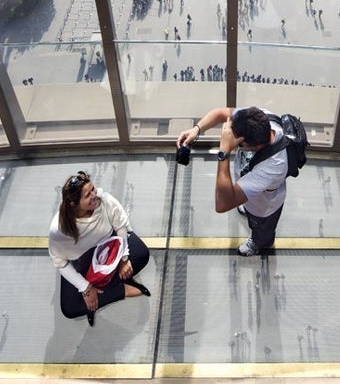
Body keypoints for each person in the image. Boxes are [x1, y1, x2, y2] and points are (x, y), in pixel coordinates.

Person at [176, 106, 288, 257]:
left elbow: (223, 204)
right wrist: (197, 129)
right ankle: (244, 203)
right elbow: (222, 113)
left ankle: (259, 243)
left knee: (261, 228)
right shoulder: (260, 119)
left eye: (237, 143)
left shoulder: (272, 167)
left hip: (263, 207)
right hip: (250, 191)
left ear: (255, 146)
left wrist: (224, 152)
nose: (231, 141)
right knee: (245, 205)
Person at [48, 171, 151, 326]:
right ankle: (120, 290)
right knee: (70, 309)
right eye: (87, 195)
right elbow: (60, 262)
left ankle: (104, 285)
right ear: (73, 204)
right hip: (82, 262)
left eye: (93, 189)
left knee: (142, 254)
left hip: (110, 248)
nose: (95, 195)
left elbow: (121, 227)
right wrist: (86, 288)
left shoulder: (104, 201)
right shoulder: (60, 229)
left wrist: (123, 258)